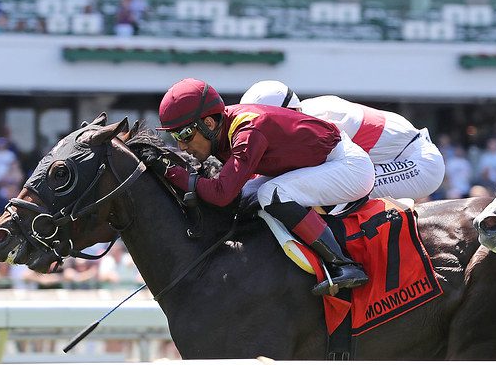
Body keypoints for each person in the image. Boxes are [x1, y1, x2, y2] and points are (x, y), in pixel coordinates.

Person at [154, 77, 374, 295]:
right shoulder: (223, 129)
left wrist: (170, 171)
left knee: (271, 193)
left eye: (185, 134)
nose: (181, 145)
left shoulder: (248, 132)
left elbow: (221, 194)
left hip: (348, 166)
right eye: (175, 136)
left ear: (209, 123)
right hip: (320, 164)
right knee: (247, 197)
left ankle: (344, 264)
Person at [241, 80, 446, 202]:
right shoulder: (303, 114)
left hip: (418, 164)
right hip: (391, 157)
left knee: (315, 191)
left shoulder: (320, 120)